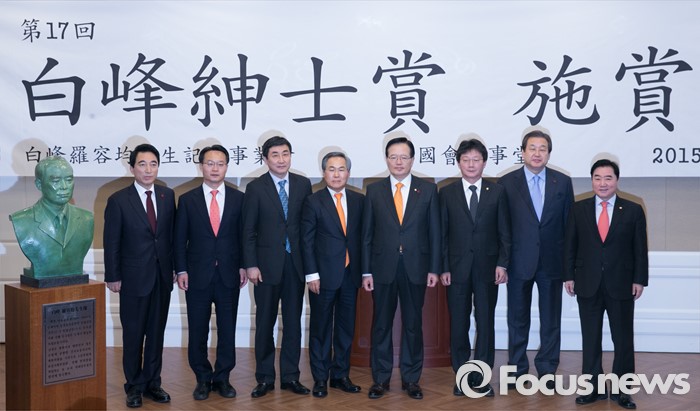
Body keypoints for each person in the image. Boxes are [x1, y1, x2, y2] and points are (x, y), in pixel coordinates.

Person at [564, 159, 648, 410]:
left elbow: (640, 250)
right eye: (597, 178)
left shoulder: (632, 210)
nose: (602, 183)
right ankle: (593, 388)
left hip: (621, 283)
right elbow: (569, 246)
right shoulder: (578, 209)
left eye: (608, 178)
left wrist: (639, 280)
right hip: (587, 282)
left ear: (617, 180)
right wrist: (568, 275)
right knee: (590, 338)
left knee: (623, 339)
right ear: (592, 180)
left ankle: (623, 391)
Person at [361, 136, 441, 400]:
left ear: (412, 160)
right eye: (393, 157)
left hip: (416, 267)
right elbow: (367, 235)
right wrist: (366, 271)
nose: (398, 162)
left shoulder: (427, 189)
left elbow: (435, 233)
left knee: (413, 325)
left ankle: (411, 379)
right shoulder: (374, 190)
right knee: (381, 325)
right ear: (386, 159)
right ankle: (380, 379)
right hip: (382, 268)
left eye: (404, 157)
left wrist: (434, 269)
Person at [498, 130, 574, 388]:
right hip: (519, 262)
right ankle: (517, 370)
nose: (537, 153)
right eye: (532, 148)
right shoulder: (506, 183)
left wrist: (569, 268)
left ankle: (547, 370)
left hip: (552, 263)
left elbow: (569, 227)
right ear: (522, 152)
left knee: (551, 320)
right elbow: (502, 228)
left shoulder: (562, 182)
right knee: (517, 319)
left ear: (549, 153)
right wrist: (503, 262)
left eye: (543, 149)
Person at [104, 143, 176, 408]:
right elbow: (111, 241)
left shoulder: (167, 196)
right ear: (132, 167)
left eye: (153, 164)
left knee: (156, 333)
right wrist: (113, 276)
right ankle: (134, 385)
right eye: (142, 164)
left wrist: (175, 268)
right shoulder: (118, 200)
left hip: (161, 277)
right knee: (133, 335)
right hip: (133, 278)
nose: (148, 169)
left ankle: (153, 383)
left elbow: (171, 237)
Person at [173, 145, 247, 401]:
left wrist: (243, 265)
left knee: (227, 329)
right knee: (197, 330)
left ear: (227, 166)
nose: (215, 168)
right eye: (210, 163)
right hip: (196, 276)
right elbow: (179, 240)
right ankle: (203, 378)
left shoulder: (239, 198)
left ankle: (223, 377)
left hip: (229, 274)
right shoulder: (187, 200)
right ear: (201, 166)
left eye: (220, 164)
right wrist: (181, 269)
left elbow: (244, 237)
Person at [242, 136, 312, 398]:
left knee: (293, 323)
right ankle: (265, 378)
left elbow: (308, 227)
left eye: (285, 154)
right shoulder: (255, 188)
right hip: (265, 268)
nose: (281, 160)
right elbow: (248, 231)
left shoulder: (303, 184)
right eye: (275, 155)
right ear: (265, 159)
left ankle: (291, 377)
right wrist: (251, 265)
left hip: (295, 265)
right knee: (265, 323)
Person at [439, 139, 511, 397]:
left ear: (484, 163)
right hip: (456, 270)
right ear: (458, 163)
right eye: (466, 160)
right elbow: (442, 235)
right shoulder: (446, 192)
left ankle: (481, 378)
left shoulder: (497, 192)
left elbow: (505, 232)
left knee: (485, 322)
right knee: (458, 324)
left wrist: (502, 263)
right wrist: (444, 267)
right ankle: (462, 377)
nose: (471, 165)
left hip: (488, 269)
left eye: (476, 160)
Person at [301, 152, 364, 398]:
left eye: (341, 169)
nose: (336, 174)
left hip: (350, 274)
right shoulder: (313, 201)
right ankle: (320, 378)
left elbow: (362, 239)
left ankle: (340, 375)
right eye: (331, 169)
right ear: (323, 172)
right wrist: (311, 274)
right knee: (321, 328)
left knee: (346, 328)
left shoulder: (359, 200)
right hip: (322, 276)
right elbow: (306, 241)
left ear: (348, 173)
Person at [10, 156, 93, 279]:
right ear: (39, 184)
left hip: (75, 276)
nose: (64, 186)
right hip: (40, 280)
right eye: (56, 181)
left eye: (69, 180)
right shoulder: (21, 221)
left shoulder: (87, 219)